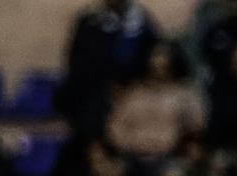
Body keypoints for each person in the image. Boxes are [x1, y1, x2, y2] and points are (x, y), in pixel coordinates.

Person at [60, 0, 163, 141]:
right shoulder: (90, 22)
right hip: (94, 96)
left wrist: (131, 87)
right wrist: (107, 86)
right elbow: (76, 63)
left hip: (135, 94)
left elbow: (155, 62)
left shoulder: (143, 23)